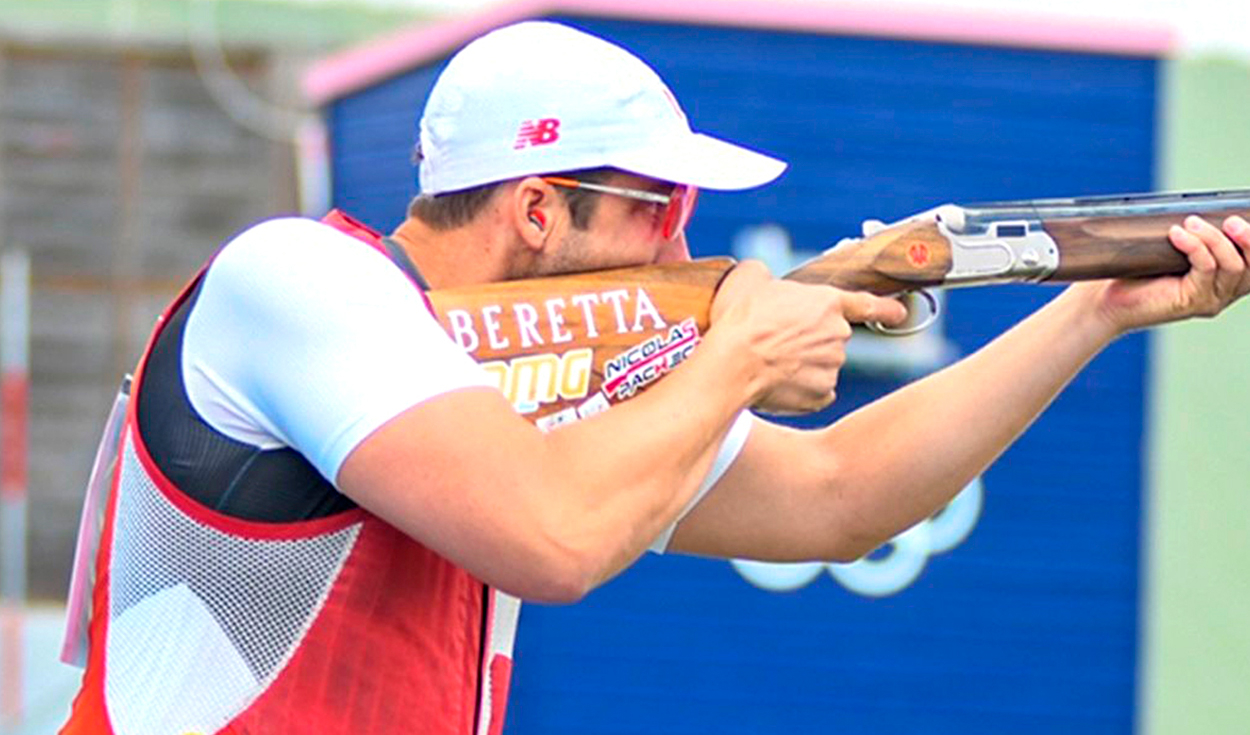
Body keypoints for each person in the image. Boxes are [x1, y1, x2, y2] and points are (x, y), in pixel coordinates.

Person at [61, 20, 1249, 735]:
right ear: (537, 207)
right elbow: (551, 540)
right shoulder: (295, 279)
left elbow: (838, 494)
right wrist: (730, 351)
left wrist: (1089, 312)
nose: (685, 255)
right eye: (661, 210)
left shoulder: (521, 384)